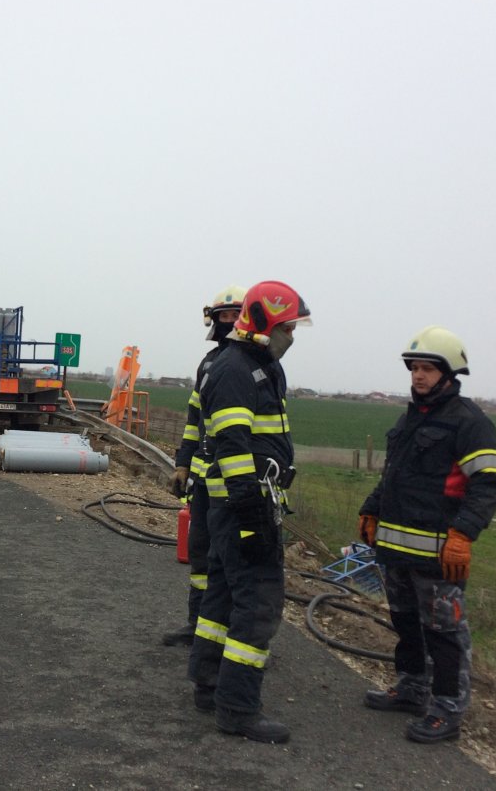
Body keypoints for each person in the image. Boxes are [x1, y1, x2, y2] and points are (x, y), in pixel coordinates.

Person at [358, 326, 496, 744]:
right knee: (405, 624)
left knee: (444, 635)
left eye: (427, 369)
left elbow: (489, 484)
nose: (418, 376)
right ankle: (411, 688)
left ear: (449, 373)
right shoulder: (409, 418)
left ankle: (446, 709)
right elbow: (394, 476)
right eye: (414, 368)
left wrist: (464, 535)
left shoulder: (470, 423)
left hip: (440, 556)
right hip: (396, 552)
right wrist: (371, 509)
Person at [188, 280, 311, 744]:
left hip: (235, 505)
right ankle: (238, 708)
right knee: (258, 603)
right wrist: (250, 511)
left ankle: (209, 684)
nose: (292, 336)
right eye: (287, 327)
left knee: (220, 598)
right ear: (262, 324)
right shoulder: (237, 369)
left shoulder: (257, 366)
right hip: (242, 506)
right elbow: (233, 445)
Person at [162, 284, 246, 647]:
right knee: (200, 555)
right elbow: (194, 419)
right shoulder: (209, 364)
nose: (228, 322)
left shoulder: (254, 364)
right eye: (223, 316)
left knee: (234, 563)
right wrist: (183, 464)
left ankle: (237, 635)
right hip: (203, 481)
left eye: (235, 316)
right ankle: (198, 626)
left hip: (237, 486)